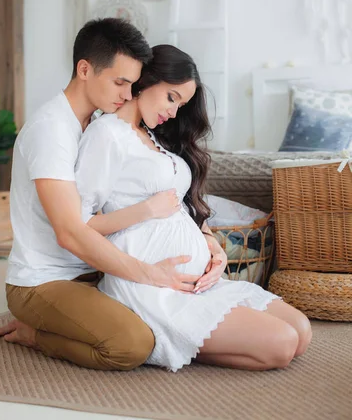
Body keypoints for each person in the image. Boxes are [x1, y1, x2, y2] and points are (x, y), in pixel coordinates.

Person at [0, 19, 220, 371]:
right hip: (45, 280)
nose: (129, 93)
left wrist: (206, 239)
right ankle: (33, 334)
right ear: (84, 69)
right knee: (132, 345)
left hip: (94, 272)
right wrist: (147, 273)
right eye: (120, 82)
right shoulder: (50, 130)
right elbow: (71, 231)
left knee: (177, 323)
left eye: (133, 84)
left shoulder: (99, 122)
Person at [75, 44, 312, 372]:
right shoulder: (106, 134)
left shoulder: (155, 137)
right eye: (171, 97)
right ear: (146, 80)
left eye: (181, 104)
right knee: (281, 345)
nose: (173, 113)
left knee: (301, 331)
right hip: (151, 284)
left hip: (198, 283)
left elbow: (181, 206)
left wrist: (211, 245)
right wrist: (145, 210)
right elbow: (78, 225)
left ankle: (180, 338)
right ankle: (164, 340)